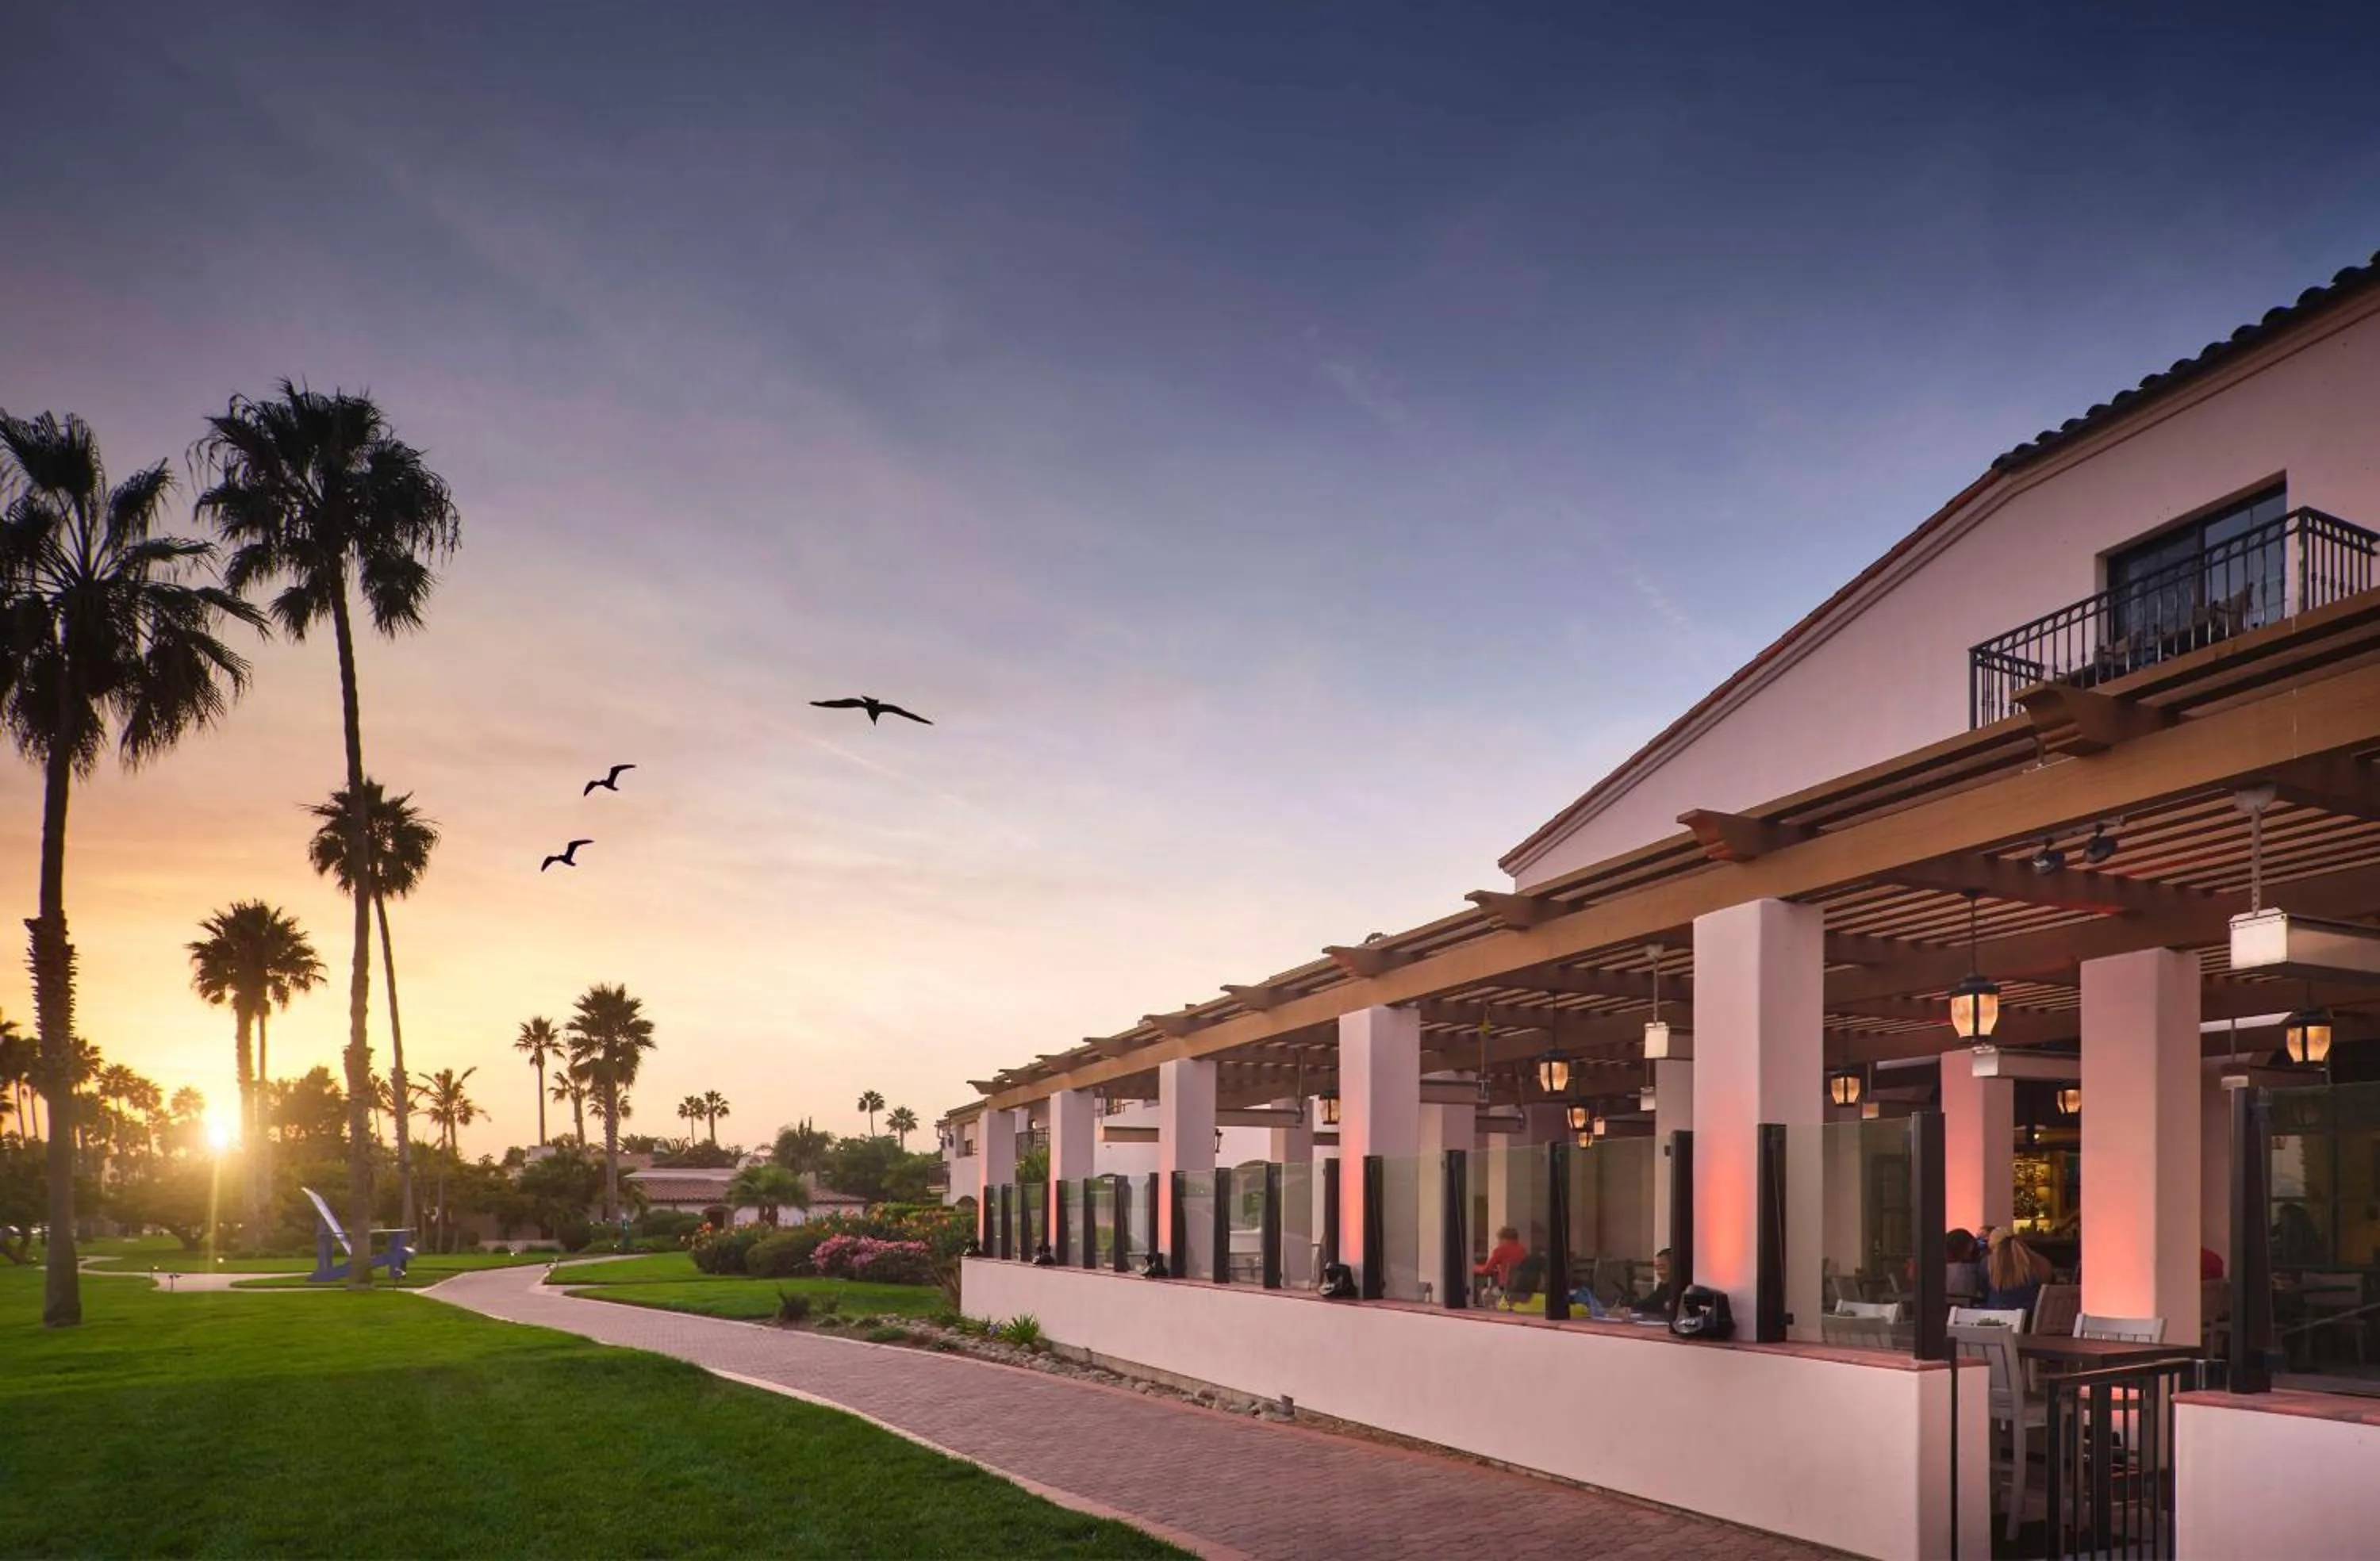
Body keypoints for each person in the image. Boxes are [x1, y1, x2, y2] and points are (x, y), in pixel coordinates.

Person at [1983, 1227, 2052, 1315]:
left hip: (2000, 1320)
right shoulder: (2041, 1262)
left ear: (1993, 1246)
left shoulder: (1988, 1263)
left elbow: (1983, 1290)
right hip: (2033, 1319)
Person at [1476, 1225, 1526, 1295]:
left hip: (1505, 1289)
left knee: (1485, 1293)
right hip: (1522, 1288)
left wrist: (1473, 1267)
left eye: (1499, 1239)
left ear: (1503, 1238)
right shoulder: (1523, 1250)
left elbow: (1486, 1270)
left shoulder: (1500, 1250)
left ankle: (1495, 1306)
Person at [1631, 1248, 1678, 1317]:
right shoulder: (1662, 1287)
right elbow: (1650, 1303)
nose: (1659, 1273)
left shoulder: (1683, 1289)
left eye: (1662, 1267)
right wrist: (1630, 1309)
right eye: (1657, 1268)